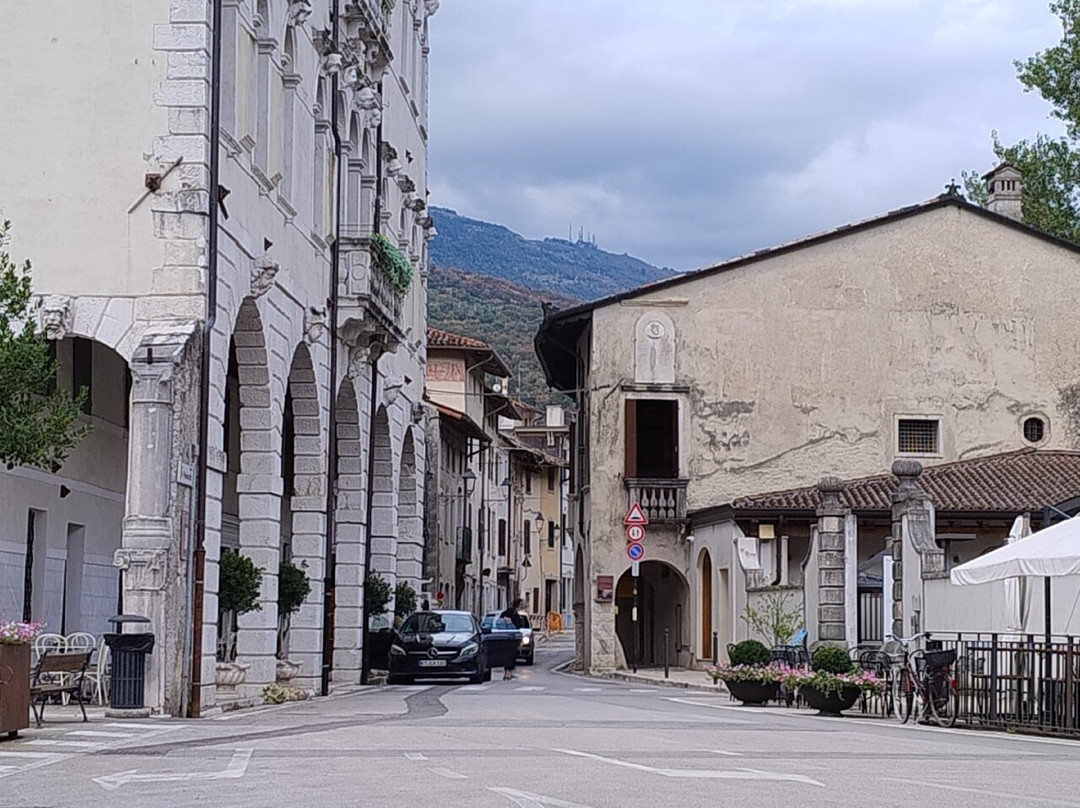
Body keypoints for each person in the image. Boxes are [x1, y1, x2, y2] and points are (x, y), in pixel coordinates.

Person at [499, 599, 527, 680]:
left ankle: (508, 673)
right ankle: (508, 674)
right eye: (521, 604)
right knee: (511, 656)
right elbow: (517, 625)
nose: (523, 605)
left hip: (509, 637)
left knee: (510, 655)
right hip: (511, 638)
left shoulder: (510, 612)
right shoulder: (513, 613)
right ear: (518, 604)